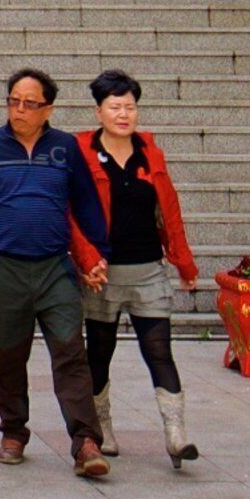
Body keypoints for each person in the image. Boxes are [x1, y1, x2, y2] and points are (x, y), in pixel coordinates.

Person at [0, 67, 113, 477]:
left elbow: (87, 204)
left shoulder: (66, 149)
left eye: (29, 104)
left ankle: (86, 442)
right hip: (6, 268)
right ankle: (14, 432)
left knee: (71, 354)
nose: (19, 110)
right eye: (13, 101)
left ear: (48, 108)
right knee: (7, 357)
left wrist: (98, 254)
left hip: (56, 269)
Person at [70, 69, 202, 470]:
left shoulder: (151, 155)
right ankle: (103, 428)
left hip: (148, 268)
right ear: (99, 112)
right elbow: (70, 212)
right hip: (104, 272)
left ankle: (176, 436)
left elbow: (171, 211)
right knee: (100, 353)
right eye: (115, 107)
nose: (123, 114)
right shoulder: (81, 153)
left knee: (159, 349)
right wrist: (87, 259)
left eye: (130, 107)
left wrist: (183, 261)